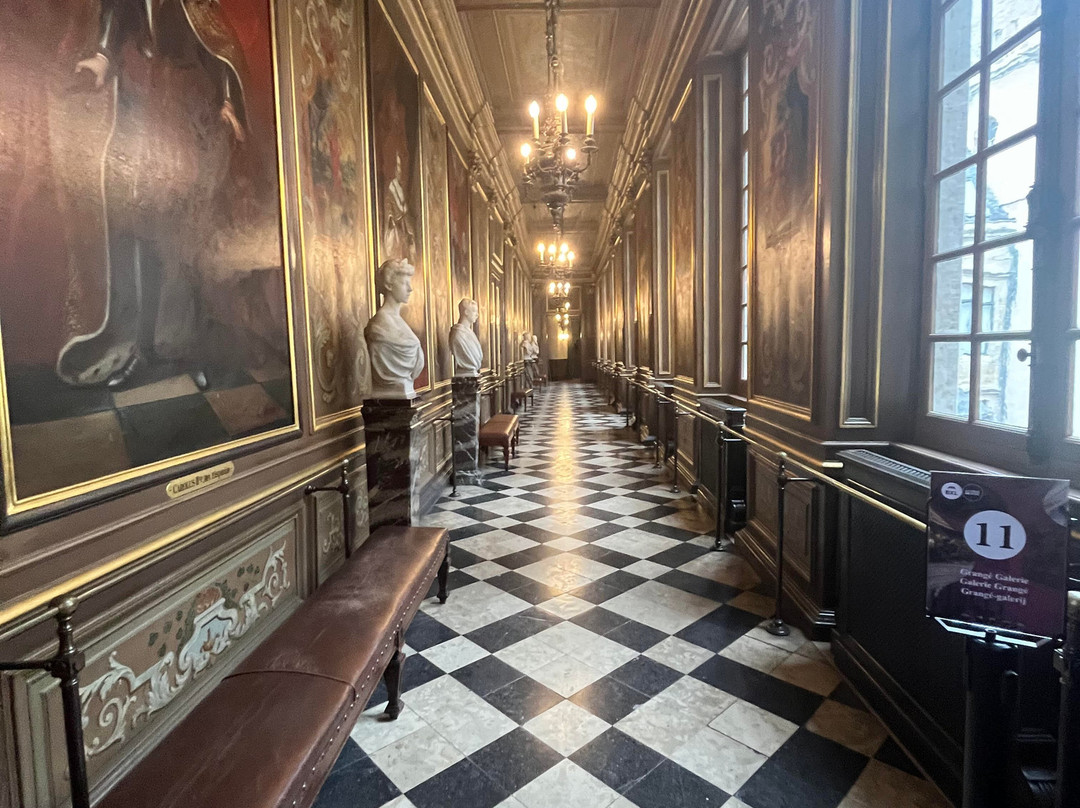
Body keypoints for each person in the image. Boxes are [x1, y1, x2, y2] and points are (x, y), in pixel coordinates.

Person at [58, 0, 250, 390]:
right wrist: (102, 57)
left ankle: (191, 350)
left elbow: (217, 44)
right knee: (138, 232)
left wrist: (229, 101)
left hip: (188, 114)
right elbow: (114, 22)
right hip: (142, 111)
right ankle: (142, 348)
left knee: (188, 241)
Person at [365, 259, 425, 398]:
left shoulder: (399, 322)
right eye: (404, 283)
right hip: (391, 397)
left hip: (404, 390)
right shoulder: (379, 325)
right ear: (388, 285)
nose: (410, 289)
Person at [450, 299, 483, 376]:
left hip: (472, 374)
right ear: (466, 312)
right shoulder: (458, 334)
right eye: (474, 311)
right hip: (465, 376)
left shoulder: (470, 333)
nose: (477, 315)